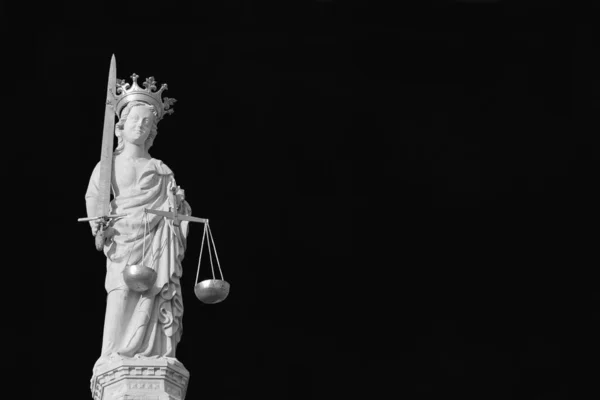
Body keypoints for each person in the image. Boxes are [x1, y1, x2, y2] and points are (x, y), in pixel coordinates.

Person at [85, 99, 191, 378]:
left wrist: (178, 207)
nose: (141, 126)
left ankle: (151, 350)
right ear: (121, 126)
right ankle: (110, 354)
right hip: (123, 237)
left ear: (152, 132)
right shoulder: (109, 164)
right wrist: (99, 227)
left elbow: (175, 212)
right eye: (135, 120)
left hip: (155, 239)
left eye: (147, 123)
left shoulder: (161, 170)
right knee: (120, 292)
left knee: (152, 291)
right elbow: (95, 197)